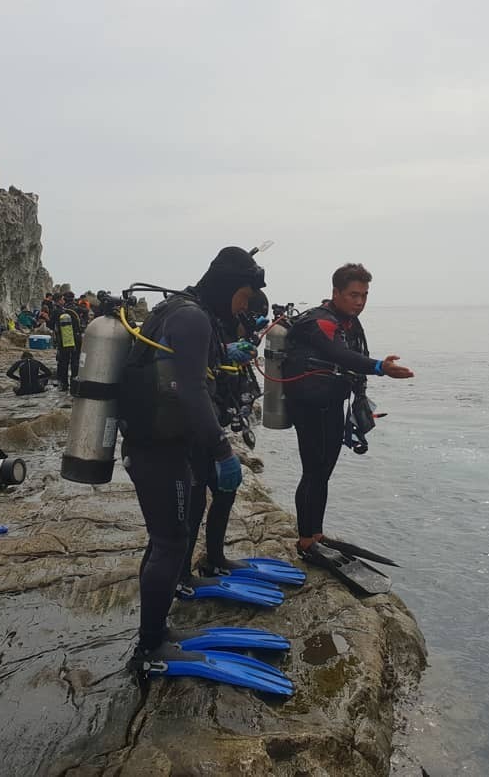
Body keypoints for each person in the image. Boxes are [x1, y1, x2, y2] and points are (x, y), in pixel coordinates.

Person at [120, 247, 279, 677]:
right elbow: (190, 390)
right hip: (158, 448)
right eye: (244, 296)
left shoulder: (181, 310)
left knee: (166, 539)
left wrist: (225, 353)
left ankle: (156, 632)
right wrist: (222, 450)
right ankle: (150, 649)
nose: (243, 306)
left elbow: (186, 371)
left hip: (154, 442)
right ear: (229, 287)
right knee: (170, 542)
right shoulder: (192, 317)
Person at [281, 263, 414, 562]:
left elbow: (353, 357)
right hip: (309, 406)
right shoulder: (319, 322)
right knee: (313, 471)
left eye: (364, 295)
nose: (360, 301)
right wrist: (381, 367)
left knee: (324, 471)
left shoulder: (349, 322)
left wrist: (363, 394)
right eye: (354, 295)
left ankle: (316, 534)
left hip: (331, 404)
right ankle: (305, 540)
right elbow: (340, 355)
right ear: (336, 292)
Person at [53, 294, 81, 390]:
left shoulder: (58, 311)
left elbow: (52, 325)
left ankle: (64, 383)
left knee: (63, 362)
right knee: (75, 361)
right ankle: (74, 383)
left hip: (63, 340)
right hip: (75, 339)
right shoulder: (76, 310)